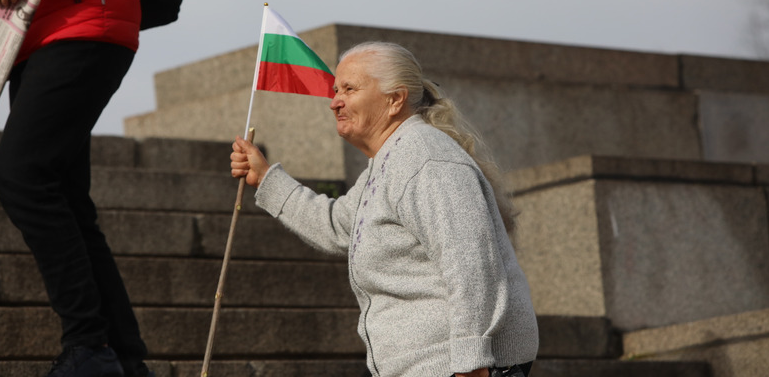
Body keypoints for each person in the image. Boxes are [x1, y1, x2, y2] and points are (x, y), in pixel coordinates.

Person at [231, 41, 539, 377]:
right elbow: (338, 227)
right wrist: (265, 179)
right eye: (336, 90)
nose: (334, 101)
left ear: (395, 100)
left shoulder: (424, 156)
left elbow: (470, 262)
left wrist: (471, 362)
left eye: (349, 89)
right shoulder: (390, 159)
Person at [0, 0, 155, 375]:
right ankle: (122, 358)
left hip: (88, 21)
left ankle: (88, 347)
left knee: (21, 176)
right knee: (65, 199)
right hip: (27, 37)